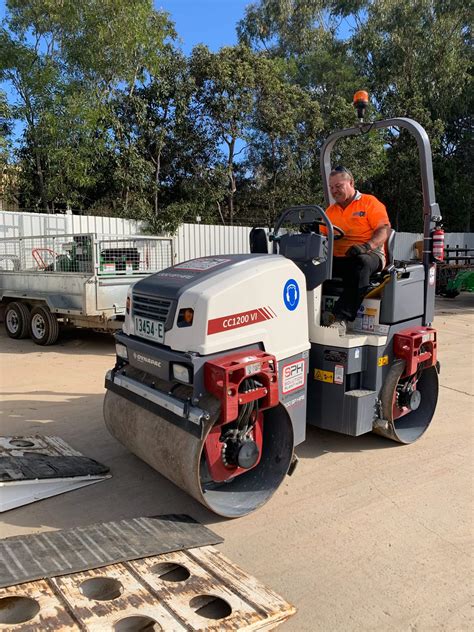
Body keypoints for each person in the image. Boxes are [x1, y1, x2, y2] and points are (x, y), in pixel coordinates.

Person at [323, 166, 391, 333]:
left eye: (338, 186)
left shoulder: (369, 202)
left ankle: (341, 317)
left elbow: (384, 229)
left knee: (361, 263)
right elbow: (322, 237)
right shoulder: (329, 212)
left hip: (370, 254)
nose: (334, 191)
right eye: (331, 187)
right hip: (339, 257)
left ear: (351, 182)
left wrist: (366, 246)